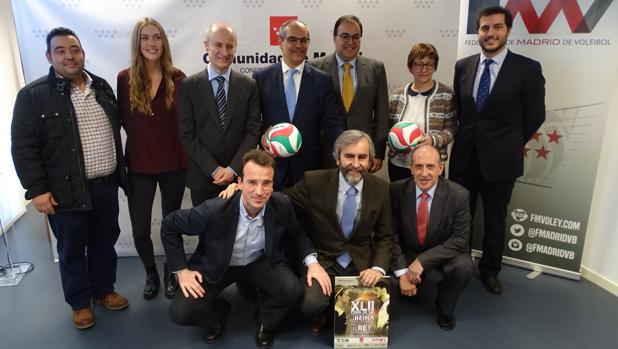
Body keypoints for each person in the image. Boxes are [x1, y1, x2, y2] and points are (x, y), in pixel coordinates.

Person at [11, 27, 129, 330]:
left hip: (105, 184)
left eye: (74, 49)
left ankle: (104, 290)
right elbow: (23, 147)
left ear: (83, 53)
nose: (69, 55)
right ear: (49, 56)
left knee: (105, 241)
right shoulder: (33, 96)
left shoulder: (102, 87)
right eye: (61, 50)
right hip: (64, 192)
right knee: (71, 249)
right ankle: (80, 303)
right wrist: (36, 190)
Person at [162, 150, 330, 349]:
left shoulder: (282, 204)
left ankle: (265, 322)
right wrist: (181, 271)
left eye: (266, 183)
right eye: (252, 182)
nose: (259, 191)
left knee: (291, 290)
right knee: (180, 312)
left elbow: (298, 235)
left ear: (273, 184)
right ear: (239, 183)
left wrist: (313, 264)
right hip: (218, 264)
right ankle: (219, 312)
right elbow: (169, 226)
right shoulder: (213, 210)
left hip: (258, 261)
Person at [449, 6, 545, 295]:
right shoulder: (463, 66)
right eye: (484, 28)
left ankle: (490, 271)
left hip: (501, 161)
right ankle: (459, 267)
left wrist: (509, 142)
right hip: (464, 156)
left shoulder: (527, 69)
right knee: (460, 217)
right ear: (478, 31)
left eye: (497, 27)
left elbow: (535, 115)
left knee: (495, 220)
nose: (490, 33)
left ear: (507, 30)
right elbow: (461, 111)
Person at [283, 130, 394, 334]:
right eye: (349, 156)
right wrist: (246, 191)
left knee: (376, 310)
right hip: (323, 259)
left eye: (362, 157)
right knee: (310, 305)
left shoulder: (381, 189)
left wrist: (378, 268)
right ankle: (322, 312)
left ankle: (339, 302)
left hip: (360, 261)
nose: (356, 163)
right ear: (337, 158)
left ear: (370, 161)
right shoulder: (314, 181)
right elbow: (282, 201)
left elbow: (386, 236)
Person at [117, 17, 187, 300]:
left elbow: (185, 123)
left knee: (171, 225)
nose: (151, 43)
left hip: (174, 165)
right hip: (139, 166)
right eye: (145, 38)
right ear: (138, 43)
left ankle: (171, 271)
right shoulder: (124, 79)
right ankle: (150, 273)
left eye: (156, 37)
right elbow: (123, 120)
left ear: (164, 42)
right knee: (141, 229)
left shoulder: (178, 77)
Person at [391, 145, 474, 330]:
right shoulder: (395, 191)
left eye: (430, 166)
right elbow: (390, 235)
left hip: (442, 250)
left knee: (464, 267)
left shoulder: (459, 195)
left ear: (440, 168)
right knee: (388, 284)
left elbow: (460, 240)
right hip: (409, 249)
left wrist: (423, 260)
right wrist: (402, 272)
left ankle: (445, 308)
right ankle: (407, 282)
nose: (424, 173)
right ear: (411, 168)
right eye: (419, 166)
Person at [253, 19, 343, 189]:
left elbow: (333, 122)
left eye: (304, 40)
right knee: (274, 214)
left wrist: (344, 150)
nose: (299, 45)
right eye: (292, 39)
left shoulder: (322, 80)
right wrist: (262, 138)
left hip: (310, 168)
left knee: (306, 216)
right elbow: (252, 121)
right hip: (272, 166)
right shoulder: (261, 78)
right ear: (280, 42)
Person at [179, 22, 260, 205]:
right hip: (202, 179)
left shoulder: (249, 86)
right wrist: (214, 169)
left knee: (237, 232)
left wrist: (232, 169)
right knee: (206, 232)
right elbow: (187, 135)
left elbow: (252, 131)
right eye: (218, 45)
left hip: (238, 179)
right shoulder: (188, 86)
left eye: (230, 46)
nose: (224, 51)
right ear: (206, 45)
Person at [309, 15, 389, 172]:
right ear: (334, 38)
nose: (350, 42)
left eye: (355, 37)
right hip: (325, 153)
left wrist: (378, 153)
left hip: (362, 154)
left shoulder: (376, 68)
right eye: (345, 36)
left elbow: (382, 115)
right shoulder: (315, 68)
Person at [387, 42, 457, 182]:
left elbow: (452, 129)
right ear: (411, 67)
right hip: (399, 165)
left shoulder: (446, 95)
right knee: (400, 203)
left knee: (430, 203)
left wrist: (432, 139)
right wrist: (397, 144)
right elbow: (388, 129)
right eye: (418, 64)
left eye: (429, 64)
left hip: (431, 167)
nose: (424, 69)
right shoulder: (397, 96)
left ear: (434, 66)